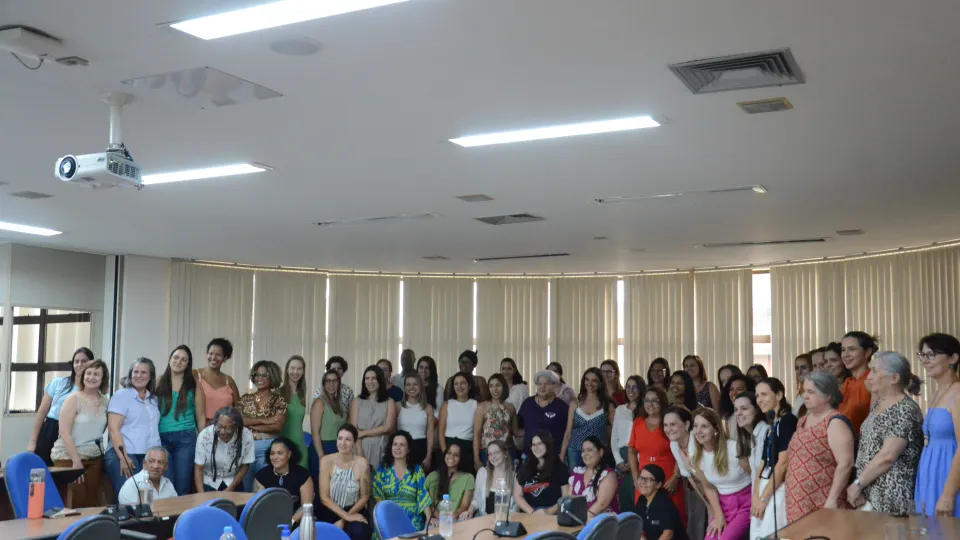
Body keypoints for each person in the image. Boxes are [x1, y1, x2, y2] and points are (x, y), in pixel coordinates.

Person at [846, 351, 923, 514]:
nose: (869, 376)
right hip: (870, 491)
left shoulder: (905, 409)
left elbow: (887, 456)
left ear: (894, 378)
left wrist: (858, 484)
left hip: (890, 495)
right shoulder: (879, 404)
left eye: (875, 371)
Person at [785, 371, 855, 522]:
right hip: (797, 503)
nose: (805, 396)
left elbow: (846, 463)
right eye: (804, 391)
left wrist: (832, 500)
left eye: (811, 392)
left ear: (828, 395)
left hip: (822, 503)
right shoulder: (802, 420)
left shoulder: (835, 422)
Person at [677, 408, 751, 540]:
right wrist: (718, 515)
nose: (698, 431)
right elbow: (708, 487)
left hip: (746, 503)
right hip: (723, 505)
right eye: (696, 426)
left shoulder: (734, 448)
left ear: (716, 429)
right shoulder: (696, 457)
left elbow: (754, 475)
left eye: (704, 426)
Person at [51, 359, 109, 508]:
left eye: (96, 374)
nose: (91, 377)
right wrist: (76, 461)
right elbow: (64, 431)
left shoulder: (106, 401)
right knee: (75, 502)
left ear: (103, 378)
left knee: (91, 503)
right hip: (69, 457)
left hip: (95, 458)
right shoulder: (73, 399)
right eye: (88, 373)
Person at [915, 332, 960, 517]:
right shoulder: (936, 393)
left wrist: (948, 494)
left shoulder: (958, 394)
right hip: (929, 472)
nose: (925, 360)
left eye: (931, 354)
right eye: (923, 355)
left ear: (953, 358)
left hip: (948, 475)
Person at [105, 358, 162, 499]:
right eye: (135, 372)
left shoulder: (153, 399)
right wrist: (123, 458)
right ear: (130, 375)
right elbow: (113, 429)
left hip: (146, 456)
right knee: (129, 498)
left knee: (148, 500)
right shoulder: (121, 396)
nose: (139, 375)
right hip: (125, 454)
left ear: (150, 376)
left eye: (144, 372)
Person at [28, 347, 93, 465]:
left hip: (73, 433)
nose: (79, 364)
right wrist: (33, 441)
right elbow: (41, 413)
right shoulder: (59, 383)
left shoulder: (91, 390)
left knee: (64, 470)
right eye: (76, 361)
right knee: (42, 470)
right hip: (50, 428)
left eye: (84, 361)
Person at [155, 345, 205, 497]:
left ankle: (182, 520)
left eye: (184, 359)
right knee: (165, 486)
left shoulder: (194, 384)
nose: (179, 361)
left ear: (188, 364)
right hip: (161, 438)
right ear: (170, 359)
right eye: (176, 357)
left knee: (183, 486)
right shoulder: (158, 381)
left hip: (186, 439)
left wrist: (204, 444)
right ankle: (167, 520)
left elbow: (201, 417)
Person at [629, 387, 684, 520]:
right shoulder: (638, 422)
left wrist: (676, 476)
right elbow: (631, 450)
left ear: (662, 402)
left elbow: (680, 447)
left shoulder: (668, 423)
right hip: (644, 479)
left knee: (671, 520)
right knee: (644, 519)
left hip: (668, 479)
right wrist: (636, 476)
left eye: (655, 400)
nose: (650, 404)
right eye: (647, 400)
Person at [751, 378, 796, 538]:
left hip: (777, 488)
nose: (759, 400)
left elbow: (783, 462)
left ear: (779, 395)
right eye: (757, 396)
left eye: (764, 394)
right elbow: (762, 464)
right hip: (764, 485)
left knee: (770, 534)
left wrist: (763, 498)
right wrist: (755, 496)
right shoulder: (771, 424)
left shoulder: (787, 421)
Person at [238, 360, 288, 490]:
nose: (260, 379)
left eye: (265, 375)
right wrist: (266, 420)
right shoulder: (244, 399)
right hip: (245, 446)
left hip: (268, 447)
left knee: (265, 487)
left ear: (272, 377)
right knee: (245, 487)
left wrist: (250, 424)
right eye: (257, 375)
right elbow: (238, 421)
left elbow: (277, 426)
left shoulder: (279, 400)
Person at [318, 424, 372, 539]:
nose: (343, 443)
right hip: (330, 509)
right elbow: (324, 497)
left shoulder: (362, 463)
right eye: (340, 438)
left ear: (354, 442)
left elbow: (364, 496)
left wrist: (344, 520)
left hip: (354, 509)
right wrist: (346, 517)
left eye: (348, 439)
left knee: (360, 531)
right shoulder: (326, 461)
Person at [373, 431, 433, 530]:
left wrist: (429, 518)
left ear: (408, 449)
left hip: (412, 519)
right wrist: (386, 516)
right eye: (395, 444)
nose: (397, 448)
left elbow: (423, 495)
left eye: (402, 445)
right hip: (388, 517)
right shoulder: (382, 469)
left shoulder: (417, 470)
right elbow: (377, 496)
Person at [664, 406, 708, 540]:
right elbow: (690, 477)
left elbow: (708, 478)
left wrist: (712, 505)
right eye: (665, 425)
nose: (668, 429)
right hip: (701, 487)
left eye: (673, 424)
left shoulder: (699, 441)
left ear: (687, 424)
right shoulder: (674, 445)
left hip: (719, 488)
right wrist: (707, 502)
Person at [561, 367, 615, 468]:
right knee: (576, 482)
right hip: (575, 450)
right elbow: (568, 433)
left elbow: (615, 433)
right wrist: (562, 456)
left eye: (594, 380)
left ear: (600, 383)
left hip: (597, 452)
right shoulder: (575, 403)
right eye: (587, 380)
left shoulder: (608, 405)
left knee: (597, 481)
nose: (590, 383)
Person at [194, 406, 255, 492]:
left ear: (236, 427)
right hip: (209, 481)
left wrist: (230, 488)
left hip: (233, 481)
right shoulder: (205, 435)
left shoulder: (246, 435)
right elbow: (198, 468)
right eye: (219, 426)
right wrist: (201, 495)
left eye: (227, 428)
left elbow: (245, 465)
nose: (222, 432)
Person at [254, 437, 314, 521]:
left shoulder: (303, 475)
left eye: (280, 453)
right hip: (268, 520)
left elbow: (306, 506)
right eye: (272, 453)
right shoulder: (261, 476)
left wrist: (291, 521)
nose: (275, 457)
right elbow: (259, 506)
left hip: (297, 520)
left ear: (289, 454)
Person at [349, 365, 396, 469]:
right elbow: (354, 431)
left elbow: (388, 427)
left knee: (379, 483)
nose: (370, 382)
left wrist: (363, 433)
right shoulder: (357, 401)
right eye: (367, 378)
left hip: (382, 449)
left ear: (380, 380)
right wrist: (360, 455)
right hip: (360, 448)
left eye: (374, 378)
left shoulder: (389, 402)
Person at [514, 430, 569, 514]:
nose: (536, 448)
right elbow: (517, 495)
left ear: (548, 445)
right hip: (529, 513)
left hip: (552, 514)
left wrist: (547, 512)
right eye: (533, 445)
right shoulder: (525, 467)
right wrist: (532, 513)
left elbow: (566, 497)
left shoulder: (560, 468)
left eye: (540, 444)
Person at [518, 370, 569, 457]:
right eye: (539, 384)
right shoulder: (528, 403)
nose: (542, 387)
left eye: (547, 384)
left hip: (552, 456)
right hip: (529, 455)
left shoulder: (561, 407)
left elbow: (567, 432)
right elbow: (519, 424)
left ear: (554, 385)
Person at [635, 464, 689, 540]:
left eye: (648, 479)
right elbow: (637, 529)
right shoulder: (641, 500)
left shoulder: (664, 503)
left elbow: (668, 533)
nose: (643, 482)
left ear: (658, 484)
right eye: (641, 478)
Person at [474, 373, 516, 467]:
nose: (495, 389)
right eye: (491, 386)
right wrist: (476, 459)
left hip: (507, 451)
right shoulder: (482, 407)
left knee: (508, 480)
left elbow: (515, 431)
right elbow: (477, 434)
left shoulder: (510, 407)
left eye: (498, 385)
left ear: (503, 387)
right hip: (487, 451)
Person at [311, 369, 347, 480]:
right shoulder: (319, 402)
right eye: (328, 381)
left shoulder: (339, 403)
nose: (331, 384)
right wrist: (322, 457)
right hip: (322, 447)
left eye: (334, 381)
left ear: (339, 383)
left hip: (338, 448)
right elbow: (315, 432)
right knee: (322, 486)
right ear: (324, 384)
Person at [439, 371, 479, 473]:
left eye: (463, 383)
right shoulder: (447, 404)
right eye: (456, 383)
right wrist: (445, 452)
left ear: (469, 386)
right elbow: (441, 431)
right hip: (449, 447)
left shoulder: (476, 405)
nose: (459, 386)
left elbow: (477, 433)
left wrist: (476, 458)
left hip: (467, 448)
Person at [839, 331, 878, 433]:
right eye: (843, 350)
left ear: (867, 352)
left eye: (852, 349)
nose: (846, 355)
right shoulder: (847, 383)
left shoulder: (873, 380)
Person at [427, 442, 475, 524]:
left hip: (457, 519)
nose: (451, 457)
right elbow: (429, 505)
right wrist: (441, 518)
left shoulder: (468, 478)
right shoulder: (433, 476)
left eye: (456, 455)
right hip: (435, 519)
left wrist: (452, 516)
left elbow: (464, 506)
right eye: (449, 453)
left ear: (461, 458)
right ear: (444, 455)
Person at [195, 338, 241, 424]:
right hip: (199, 428)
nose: (213, 357)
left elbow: (238, 409)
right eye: (210, 353)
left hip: (225, 430)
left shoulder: (229, 381)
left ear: (225, 358)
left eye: (218, 355)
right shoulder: (195, 375)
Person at [569, 436, 619, 515]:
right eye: (583, 451)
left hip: (603, 523)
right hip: (577, 523)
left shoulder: (609, 475)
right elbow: (569, 500)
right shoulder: (577, 473)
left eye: (589, 450)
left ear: (601, 452)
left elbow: (601, 505)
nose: (585, 454)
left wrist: (581, 523)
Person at [467, 440, 515, 517]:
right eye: (490, 454)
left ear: (505, 453)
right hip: (483, 519)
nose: (493, 456)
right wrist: (470, 511)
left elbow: (515, 508)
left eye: (496, 452)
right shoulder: (482, 472)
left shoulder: (514, 477)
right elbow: (476, 499)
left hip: (504, 521)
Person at [398, 373, 435, 472]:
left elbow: (430, 434)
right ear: (404, 387)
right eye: (408, 384)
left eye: (415, 384)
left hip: (420, 447)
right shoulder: (397, 406)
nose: (411, 387)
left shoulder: (428, 408)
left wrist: (428, 456)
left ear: (420, 387)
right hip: (401, 447)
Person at [611, 375, 646, 474]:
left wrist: (634, 461)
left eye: (635, 387)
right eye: (628, 387)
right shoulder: (620, 410)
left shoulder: (646, 410)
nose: (631, 390)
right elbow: (614, 438)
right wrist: (619, 461)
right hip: (621, 456)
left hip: (640, 456)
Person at [279, 355, 309, 468]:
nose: (295, 372)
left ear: (303, 372)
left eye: (299, 369)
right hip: (283, 446)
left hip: (300, 446)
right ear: (287, 370)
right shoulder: (278, 393)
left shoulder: (302, 394)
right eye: (292, 368)